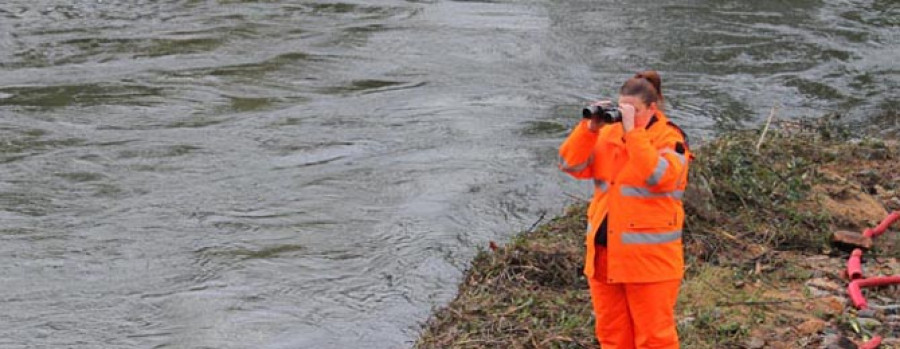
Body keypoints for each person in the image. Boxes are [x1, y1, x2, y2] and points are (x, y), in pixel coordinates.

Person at [558, 70, 691, 348]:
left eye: (635, 111)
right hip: (605, 257)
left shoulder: (670, 139)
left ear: (652, 109)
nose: (627, 116)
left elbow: (660, 178)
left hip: (649, 263)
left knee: (654, 340)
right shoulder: (607, 135)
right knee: (612, 337)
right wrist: (588, 129)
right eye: (623, 110)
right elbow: (570, 164)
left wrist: (634, 134)